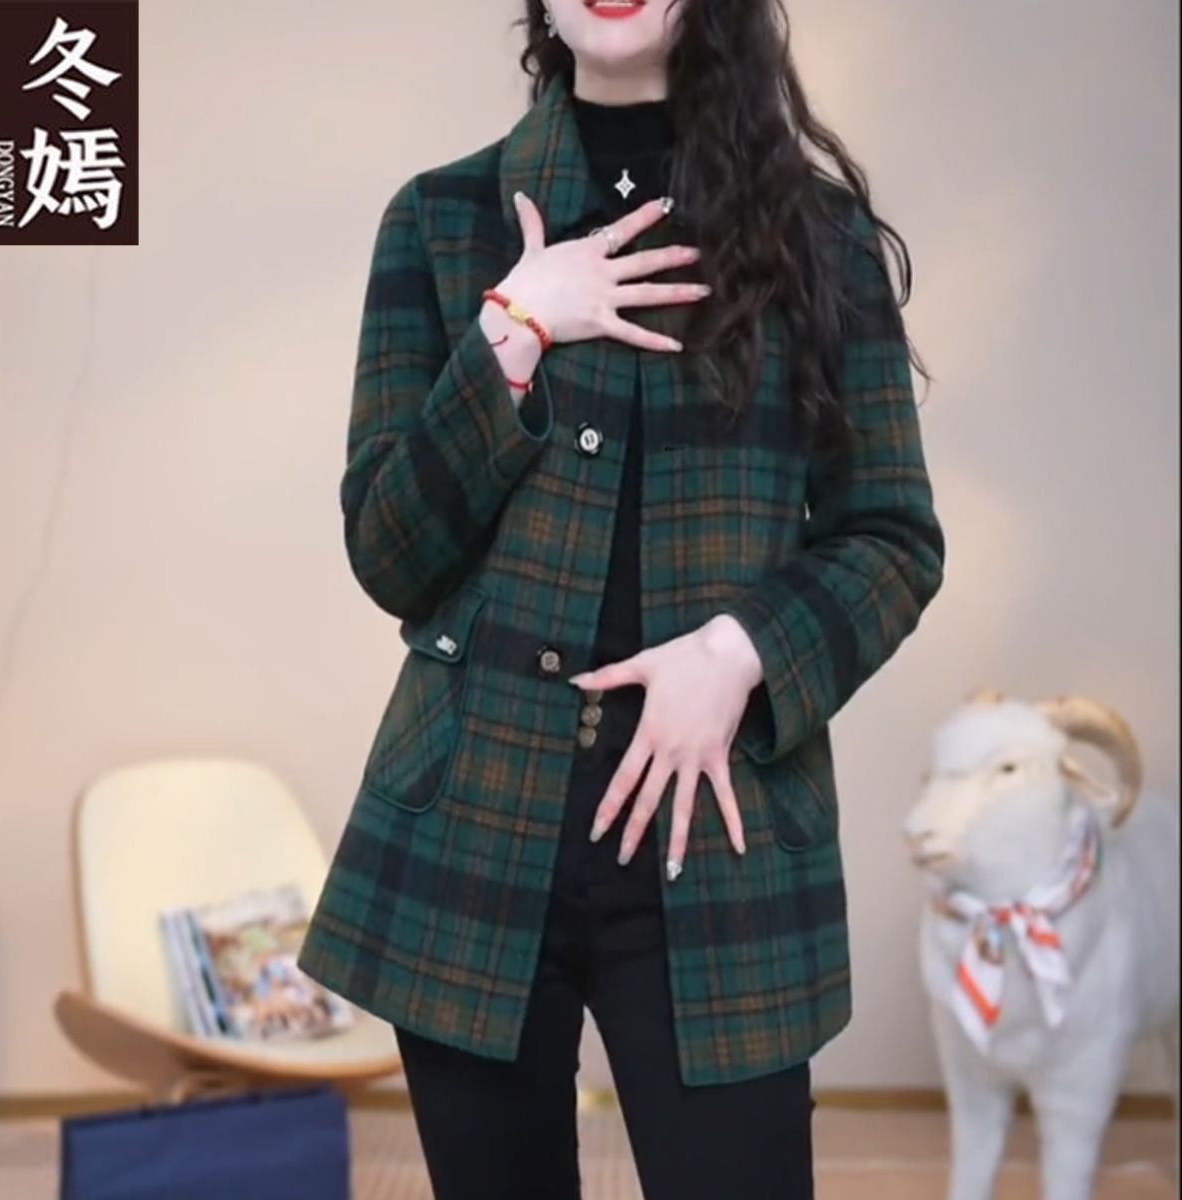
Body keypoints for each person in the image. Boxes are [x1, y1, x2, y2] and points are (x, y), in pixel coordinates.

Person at [296, 2, 946, 1197]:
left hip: (722, 831)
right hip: (473, 829)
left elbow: (893, 537)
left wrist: (741, 652)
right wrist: (514, 332)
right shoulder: (441, 220)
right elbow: (389, 553)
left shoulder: (818, 237)